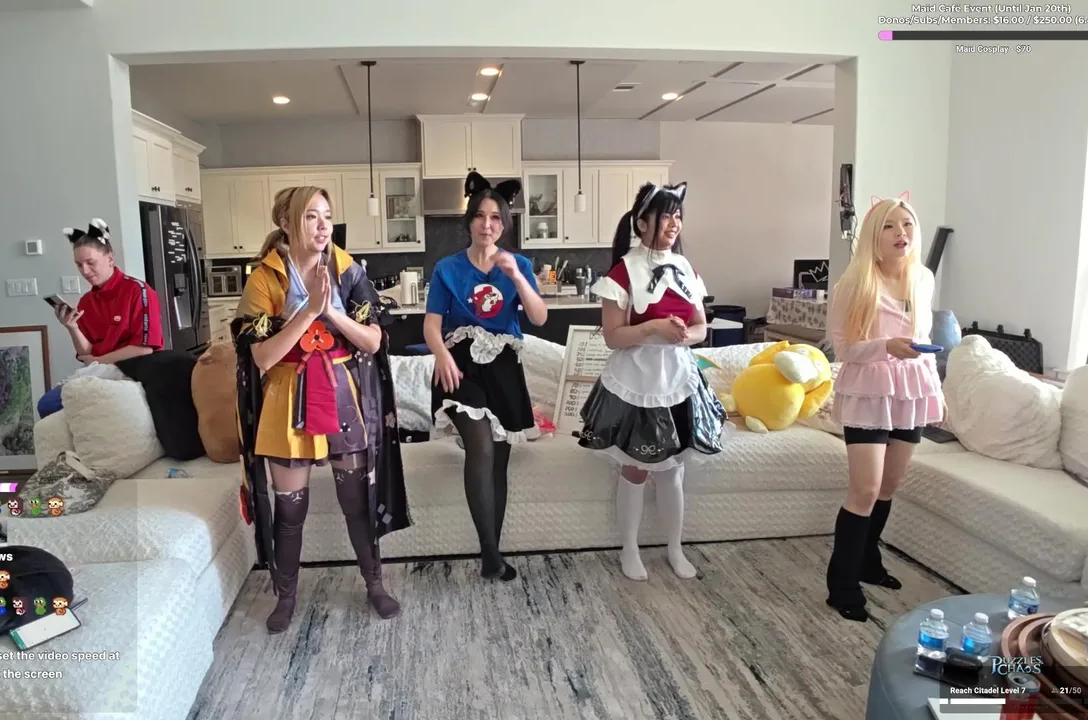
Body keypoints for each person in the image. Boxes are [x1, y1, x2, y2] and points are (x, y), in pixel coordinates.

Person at [231, 185, 410, 634]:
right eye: (311, 216)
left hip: (341, 392)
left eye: (327, 216)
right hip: (286, 396)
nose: (323, 226)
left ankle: (375, 584)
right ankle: (286, 597)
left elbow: (374, 340)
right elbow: (262, 357)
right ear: (287, 222)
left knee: (357, 503)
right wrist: (308, 312)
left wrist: (331, 313)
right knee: (290, 511)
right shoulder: (264, 278)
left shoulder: (347, 270)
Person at [576, 182, 727, 581]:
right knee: (636, 470)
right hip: (636, 380)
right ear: (642, 223)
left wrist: (683, 336)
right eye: (666, 216)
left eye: (678, 215)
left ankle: (675, 548)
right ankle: (629, 549)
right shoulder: (622, 272)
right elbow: (612, 337)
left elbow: (701, 327)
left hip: (677, 377)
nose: (674, 223)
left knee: (674, 471)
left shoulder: (686, 269)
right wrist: (653, 329)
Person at [824, 194, 945, 622]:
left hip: (911, 389)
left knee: (889, 486)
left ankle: (868, 561)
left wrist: (935, 387)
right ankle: (842, 585)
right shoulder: (855, 282)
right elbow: (843, 349)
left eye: (907, 224)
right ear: (874, 236)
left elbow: (922, 336)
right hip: (868, 390)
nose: (901, 233)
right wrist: (886, 346)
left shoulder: (923, 279)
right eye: (890, 226)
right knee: (865, 489)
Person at [423, 172, 547, 582]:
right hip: (460, 365)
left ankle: (492, 553)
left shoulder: (519, 265)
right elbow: (431, 324)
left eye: (495, 217)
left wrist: (516, 277)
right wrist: (441, 354)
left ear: (504, 224)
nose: (487, 224)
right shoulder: (447, 268)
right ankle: (491, 555)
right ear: (469, 221)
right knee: (480, 446)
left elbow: (538, 317)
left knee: (499, 460)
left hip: (504, 367)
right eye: (479, 216)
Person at [36, 219, 163, 418]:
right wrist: (72, 327)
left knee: (52, 405)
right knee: (47, 406)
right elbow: (86, 354)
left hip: (133, 371)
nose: (84, 271)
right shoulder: (86, 301)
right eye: (79, 265)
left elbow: (144, 349)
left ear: (110, 258)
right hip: (100, 372)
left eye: (90, 263)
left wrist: (98, 361)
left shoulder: (138, 291)